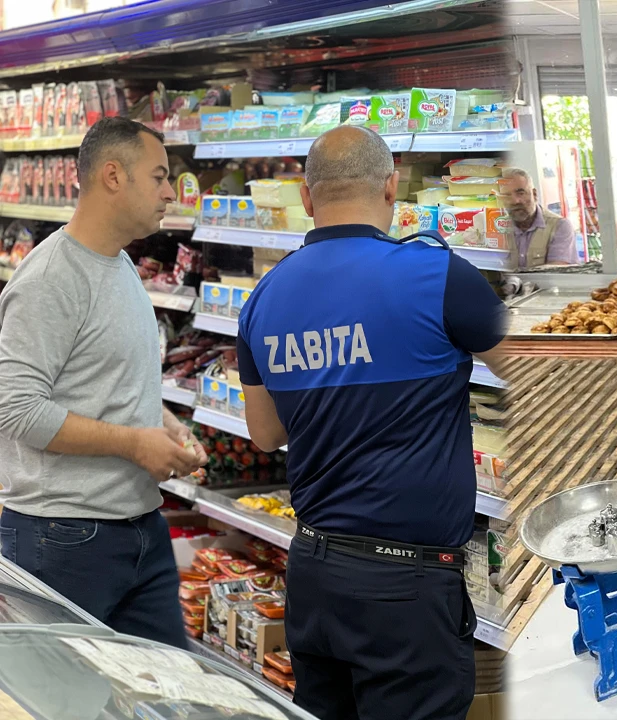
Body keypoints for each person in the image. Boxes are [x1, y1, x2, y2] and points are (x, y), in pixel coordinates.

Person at [236, 126, 506, 720]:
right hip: (406, 589)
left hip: (314, 573)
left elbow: (266, 435)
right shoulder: (436, 276)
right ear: (391, 188)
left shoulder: (264, 297)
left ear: (306, 198)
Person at [0, 117, 207, 648]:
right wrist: (135, 444)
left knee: (168, 683)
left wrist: (165, 427)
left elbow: (109, 381)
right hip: (62, 538)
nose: (170, 192)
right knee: (57, 689)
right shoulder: (50, 279)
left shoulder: (120, 266)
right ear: (113, 176)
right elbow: (17, 409)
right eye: (159, 176)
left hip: (139, 527)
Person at [500, 167, 576, 269]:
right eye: (506, 195)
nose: (515, 201)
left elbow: (557, 271)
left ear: (534, 194)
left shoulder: (559, 226)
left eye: (521, 193)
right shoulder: (497, 227)